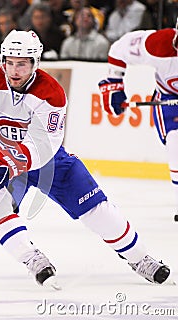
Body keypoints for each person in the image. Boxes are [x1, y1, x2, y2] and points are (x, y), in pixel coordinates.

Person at [0, 29, 171, 286]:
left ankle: (140, 258)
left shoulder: (51, 92)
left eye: (22, 64)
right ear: (2, 61)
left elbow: (45, 144)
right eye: (10, 63)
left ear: (35, 63)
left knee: (94, 207)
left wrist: (11, 159)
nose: (15, 71)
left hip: (46, 160)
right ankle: (33, 259)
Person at [98, 18, 178, 222]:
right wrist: (114, 84)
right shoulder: (159, 44)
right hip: (170, 102)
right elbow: (120, 48)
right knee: (176, 144)